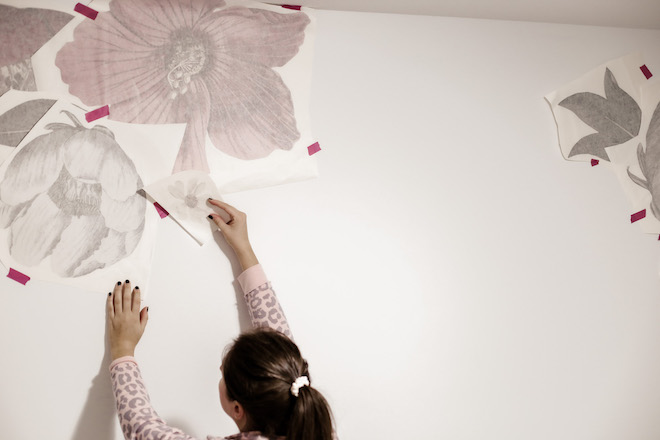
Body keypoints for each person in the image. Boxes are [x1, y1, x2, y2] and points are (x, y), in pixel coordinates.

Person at [106, 199, 335, 440]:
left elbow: (142, 429)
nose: (219, 369)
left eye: (223, 375)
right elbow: (277, 343)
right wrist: (244, 249)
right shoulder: (318, 430)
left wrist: (122, 350)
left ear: (237, 409)